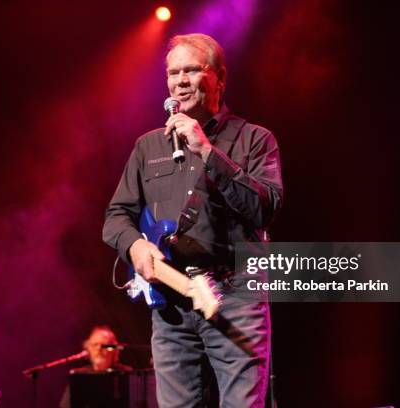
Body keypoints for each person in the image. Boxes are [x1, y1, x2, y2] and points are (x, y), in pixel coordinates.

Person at [103, 33, 283, 407]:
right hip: (172, 306)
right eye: (173, 73)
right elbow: (116, 216)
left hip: (235, 298)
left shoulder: (254, 140)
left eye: (191, 71)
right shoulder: (148, 146)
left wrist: (206, 150)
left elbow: (265, 207)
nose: (180, 81)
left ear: (219, 78)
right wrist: (135, 245)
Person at [59, 326, 132, 408]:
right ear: (88, 349)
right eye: (95, 345)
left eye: (103, 345)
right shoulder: (79, 376)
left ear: (114, 349)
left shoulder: (125, 374)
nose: (98, 349)